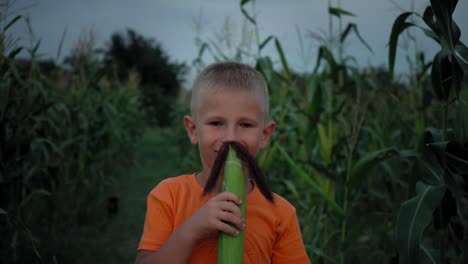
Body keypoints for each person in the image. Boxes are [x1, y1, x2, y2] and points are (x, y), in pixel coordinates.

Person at [136, 62, 310, 264]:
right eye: (216, 123)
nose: (230, 137)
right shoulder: (168, 196)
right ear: (193, 130)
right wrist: (190, 231)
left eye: (245, 125)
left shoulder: (281, 214)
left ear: (264, 135)